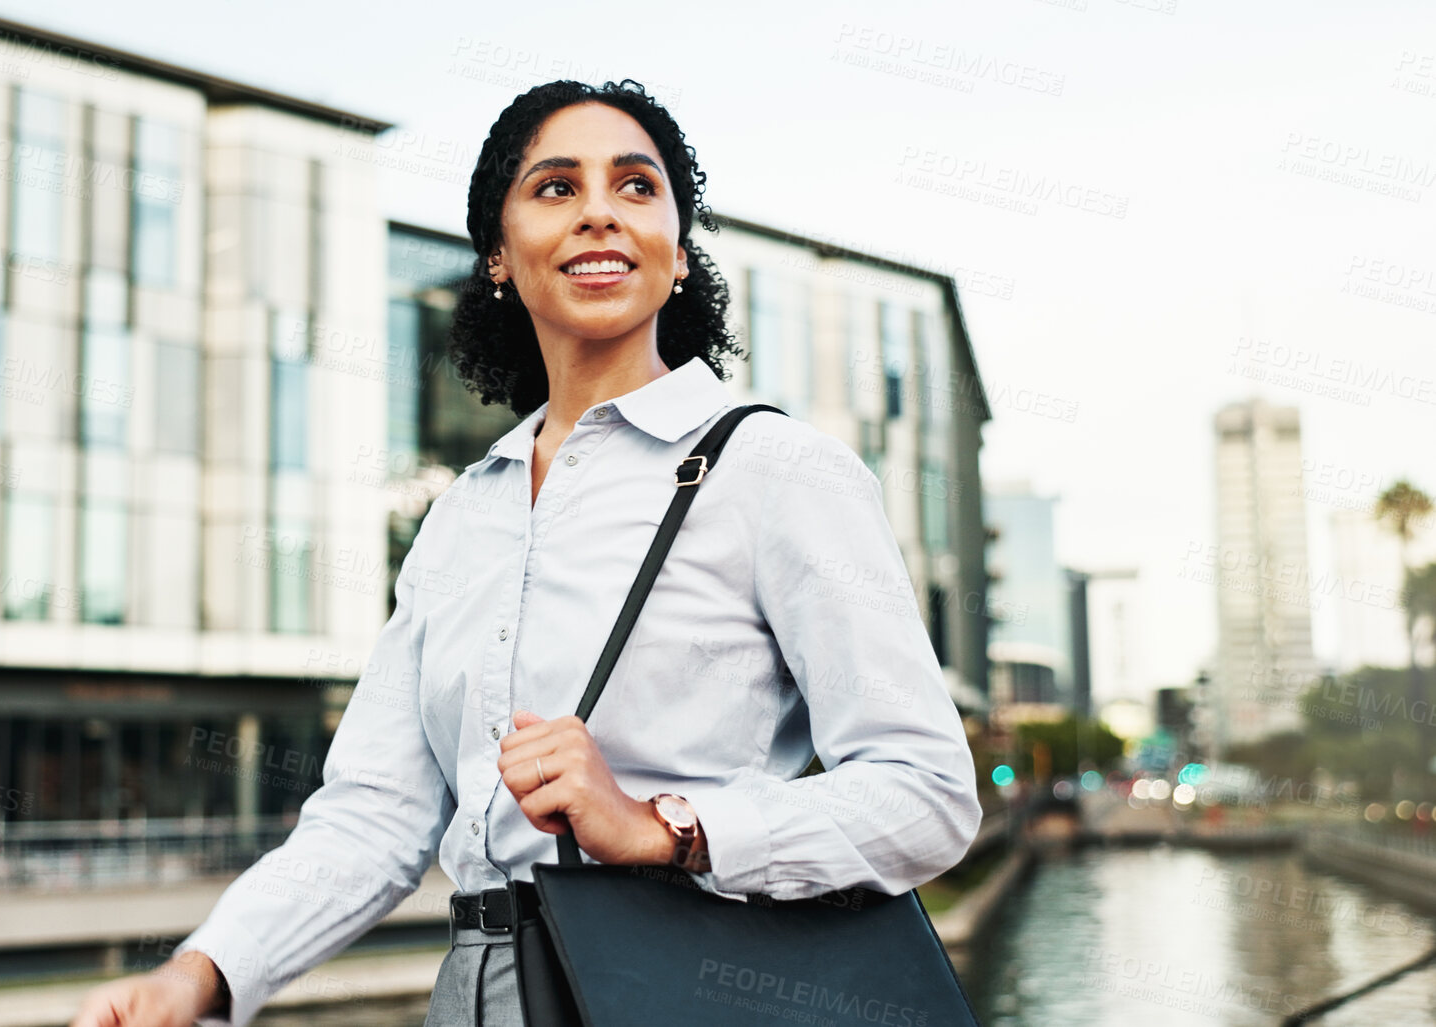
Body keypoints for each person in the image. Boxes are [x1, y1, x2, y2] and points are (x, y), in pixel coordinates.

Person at [69, 78, 982, 1027]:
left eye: (637, 187)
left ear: (676, 255)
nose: (599, 212)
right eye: (555, 188)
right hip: (481, 991)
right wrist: (199, 974)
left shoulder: (780, 470)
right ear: (499, 255)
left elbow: (926, 792)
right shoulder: (464, 514)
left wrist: (664, 826)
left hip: (688, 986)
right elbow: (373, 816)